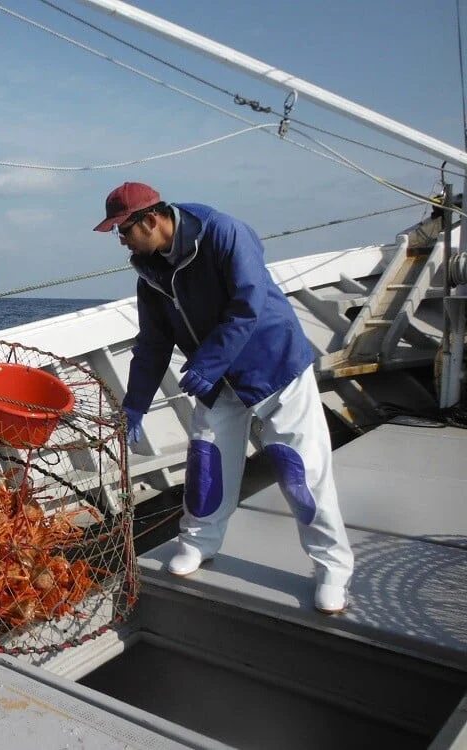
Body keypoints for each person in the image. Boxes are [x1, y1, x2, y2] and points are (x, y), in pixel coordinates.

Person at [94, 182, 353, 614]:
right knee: (206, 462)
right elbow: (154, 341)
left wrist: (209, 363)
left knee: (298, 470)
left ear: (152, 219)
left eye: (123, 229)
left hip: (274, 364)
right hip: (216, 378)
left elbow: (248, 304)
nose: (121, 240)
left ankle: (333, 567)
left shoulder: (223, 233)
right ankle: (200, 542)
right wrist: (135, 402)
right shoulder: (148, 271)